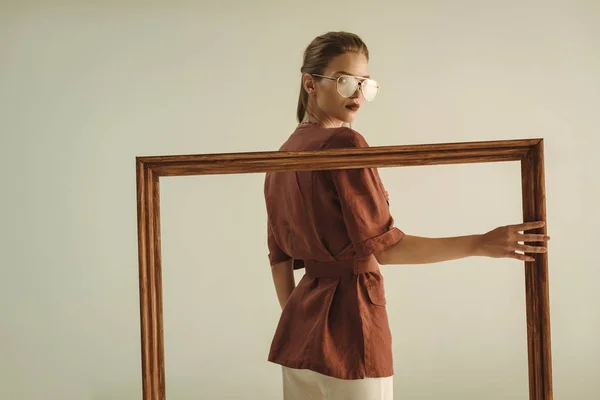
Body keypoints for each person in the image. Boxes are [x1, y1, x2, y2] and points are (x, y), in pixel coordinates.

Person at [263, 31, 549, 400]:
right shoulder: (344, 144)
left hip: (299, 333)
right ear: (310, 83)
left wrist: (301, 320)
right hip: (353, 330)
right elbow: (383, 248)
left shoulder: (281, 155)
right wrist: (481, 243)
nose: (357, 94)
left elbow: (279, 260)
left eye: (366, 84)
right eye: (346, 81)